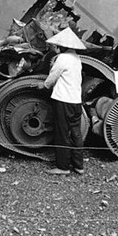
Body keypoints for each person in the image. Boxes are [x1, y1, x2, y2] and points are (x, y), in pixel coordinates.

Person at [41, 27, 86, 175]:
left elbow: (53, 76)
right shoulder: (76, 58)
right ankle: (79, 166)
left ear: (64, 46)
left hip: (63, 100)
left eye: (59, 45)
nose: (57, 47)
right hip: (75, 100)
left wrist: (44, 85)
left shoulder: (63, 58)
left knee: (62, 133)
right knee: (76, 133)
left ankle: (63, 167)